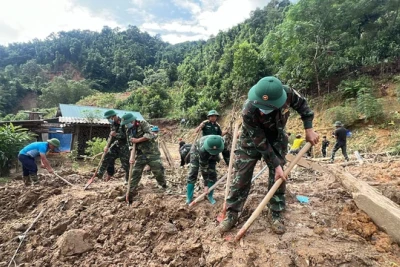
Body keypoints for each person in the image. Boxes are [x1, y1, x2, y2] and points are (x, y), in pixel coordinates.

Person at [218, 76, 319, 234]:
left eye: (267, 107)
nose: (263, 110)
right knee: (242, 174)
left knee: (278, 177)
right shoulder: (249, 110)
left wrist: (309, 129)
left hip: (277, 137)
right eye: (261, 105)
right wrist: (276, 163)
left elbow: (304, 107)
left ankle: (275, 212)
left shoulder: (288, 94)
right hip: (252, 139)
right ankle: (232, 213)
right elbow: (260, 142)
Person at [118, 113, 167, 203]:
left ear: (132, 121)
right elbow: (130, 143)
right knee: (134, 173)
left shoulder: (143, 123)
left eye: (127, 123)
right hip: (140, 154)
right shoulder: (128, 129)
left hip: (152, 152)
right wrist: (131, 156)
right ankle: (129, 193)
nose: (126, 125)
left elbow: (150, 134)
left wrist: (138, 140)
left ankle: (163, 187)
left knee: (158, 171)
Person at [186, 135, 224, 205]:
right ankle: (189, 197)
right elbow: (204, 168)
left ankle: (210, 196)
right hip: (196, 152)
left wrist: (229, 163)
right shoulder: (202, 150)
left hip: (213, 154)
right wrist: (205, 184)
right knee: (193, 172)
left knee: (212, 174)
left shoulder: (221, 142)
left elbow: (226, 153)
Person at [97, 110, 130, 183]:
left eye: (109, 118)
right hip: (117, 144)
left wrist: (116, 135)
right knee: (107, 156)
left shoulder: (124, 123)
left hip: (125, 145)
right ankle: (99, 174)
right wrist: (107, 146)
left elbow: (126, 136)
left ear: (113, 116)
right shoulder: (113, 124)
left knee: (126, 164)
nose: (108, 120)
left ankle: (128, 180)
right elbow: (111, 136)